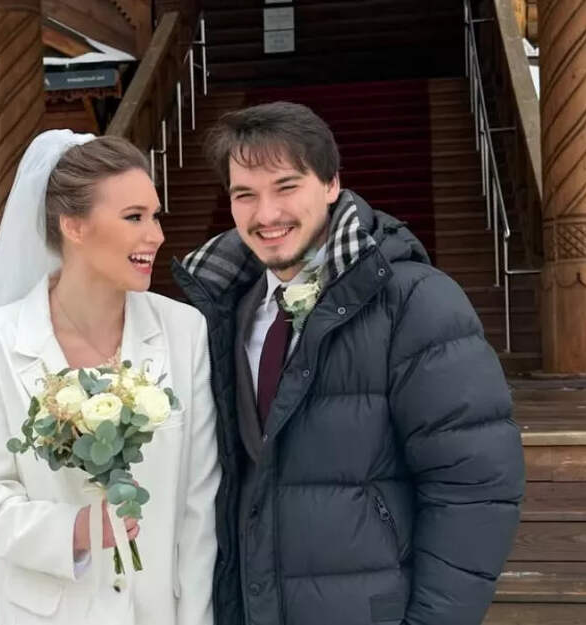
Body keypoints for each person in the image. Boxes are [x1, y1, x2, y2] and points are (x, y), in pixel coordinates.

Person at [172, 102, 525, 625]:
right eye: (245, 195)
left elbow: (475, 486)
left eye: (286, 187)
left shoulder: (415, 302)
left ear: (332, 183)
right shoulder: (216, 310)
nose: (265, 215)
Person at [0, 130, 219, 625]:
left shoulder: (185, 331)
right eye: (134, 217)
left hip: (161, 611)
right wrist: (77, 528)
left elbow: (200, 502)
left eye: (155, 216)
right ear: (73, 226)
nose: (156, 235)